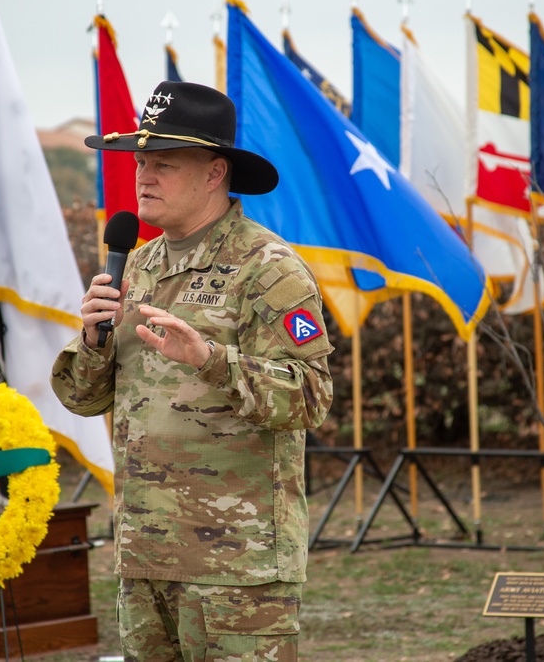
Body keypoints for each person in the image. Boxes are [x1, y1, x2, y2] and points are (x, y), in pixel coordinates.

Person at [51, 80, 333, 662]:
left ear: (214, 173)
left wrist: (211, 361)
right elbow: (82, 400)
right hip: (145, 557)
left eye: (166, 164)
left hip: (238, 567)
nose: (144, 176)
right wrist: (93, 338)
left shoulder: (269, 269)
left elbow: (310, 397)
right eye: (141, 161)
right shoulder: (135, 266)